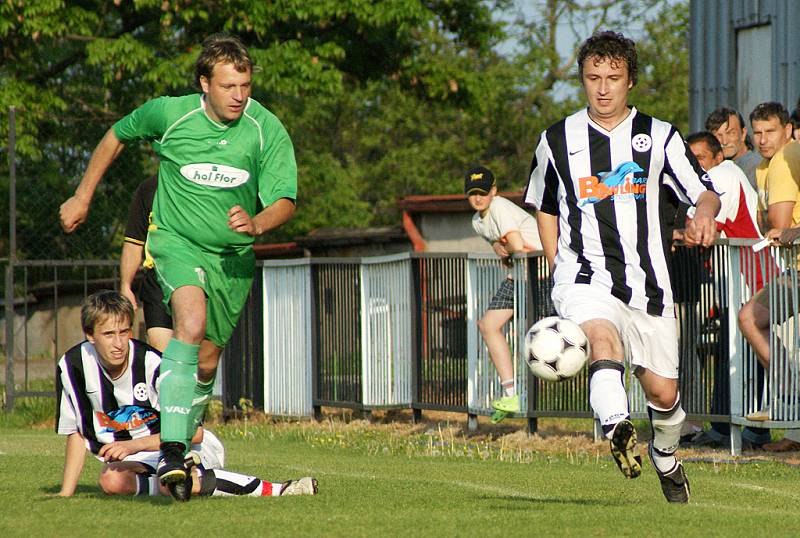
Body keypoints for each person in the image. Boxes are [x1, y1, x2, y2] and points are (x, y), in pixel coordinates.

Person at [59, 33, 297, 497]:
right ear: (204, 83)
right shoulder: (170, 113)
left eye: (245, 85)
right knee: (189, 322)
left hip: (231, 261)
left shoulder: (266, 128)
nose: (239, 96)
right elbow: (116, 135)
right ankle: (171, 449)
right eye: (229, 86)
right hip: (176, 244)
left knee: (206, 360)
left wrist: (257, 223)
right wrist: (82, 195)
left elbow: (286, 200)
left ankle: (187, 437)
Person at [525, 31, 720, 503]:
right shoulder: (556, 139)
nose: (603, 88)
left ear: (630, 80)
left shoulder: (660, 136)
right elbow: (544, 205)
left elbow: (704, 190)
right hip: (584, 277)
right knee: (601, 339)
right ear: (583, 80)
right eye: (594, 78)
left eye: (613, 78)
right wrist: (557, 265)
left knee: (666, 397)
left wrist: (705, 214)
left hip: (649, 286)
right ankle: (616, 425)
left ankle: (666, 456)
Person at [56, 290, 317, 500]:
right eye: (109, 334)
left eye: (124, 332)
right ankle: (178, 479)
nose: (118, 343)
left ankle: (278, 489)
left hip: (190, 446)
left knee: (170, 478)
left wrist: (132, 445)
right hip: (138, 459)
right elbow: (77, 432)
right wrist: (66, 494)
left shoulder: (153, 365)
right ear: (90, 335)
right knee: (111, 480)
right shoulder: (71, 367)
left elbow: (196, 433)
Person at [680, 131, 771, 450]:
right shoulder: (706, 180)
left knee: (751, 356)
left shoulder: (724, 175)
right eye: (690, 161)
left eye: (700, 159)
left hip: (754, 277)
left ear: (719, 157)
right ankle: (724, 428)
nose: (696, 167)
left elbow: (697, 229)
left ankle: (755, 431)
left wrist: (679, 232)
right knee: (730, 354)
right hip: (733, 281)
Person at [738, 102, 800, 450]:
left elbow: (775, 224)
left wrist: (790, 229)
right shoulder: (765, 166)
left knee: (750, 317)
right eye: (758, 132)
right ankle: (791, 397)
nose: (763, 140)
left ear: (787, 130)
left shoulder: (787, 157)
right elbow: (768, 225)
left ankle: (792, 400)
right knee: (750, 316)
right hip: (795, 268)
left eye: (770, 131)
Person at [464, 166, 543, 423]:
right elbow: (507, 251)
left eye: (483, 193)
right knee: (488, 325)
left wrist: (503, 247)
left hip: (543, 273)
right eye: (473, 193)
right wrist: (500, 246)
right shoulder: (477, 222)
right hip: (519, 276)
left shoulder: (499, 207)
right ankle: (510, 395)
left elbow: (518, 247)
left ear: (494, 192)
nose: (478, 198)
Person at [120, 176, 173, 351]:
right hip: (158, 280)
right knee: (160, 352)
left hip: (199, 275)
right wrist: (126, 285)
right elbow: (134, 242)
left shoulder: (206, 183)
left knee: (200, 357)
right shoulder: (149, 188)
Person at [705, 107, 761, 193]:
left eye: (731, 133)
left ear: (743, 133)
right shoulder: (712, 167)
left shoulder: (757, 166)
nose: (724, 141)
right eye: (717, 136)